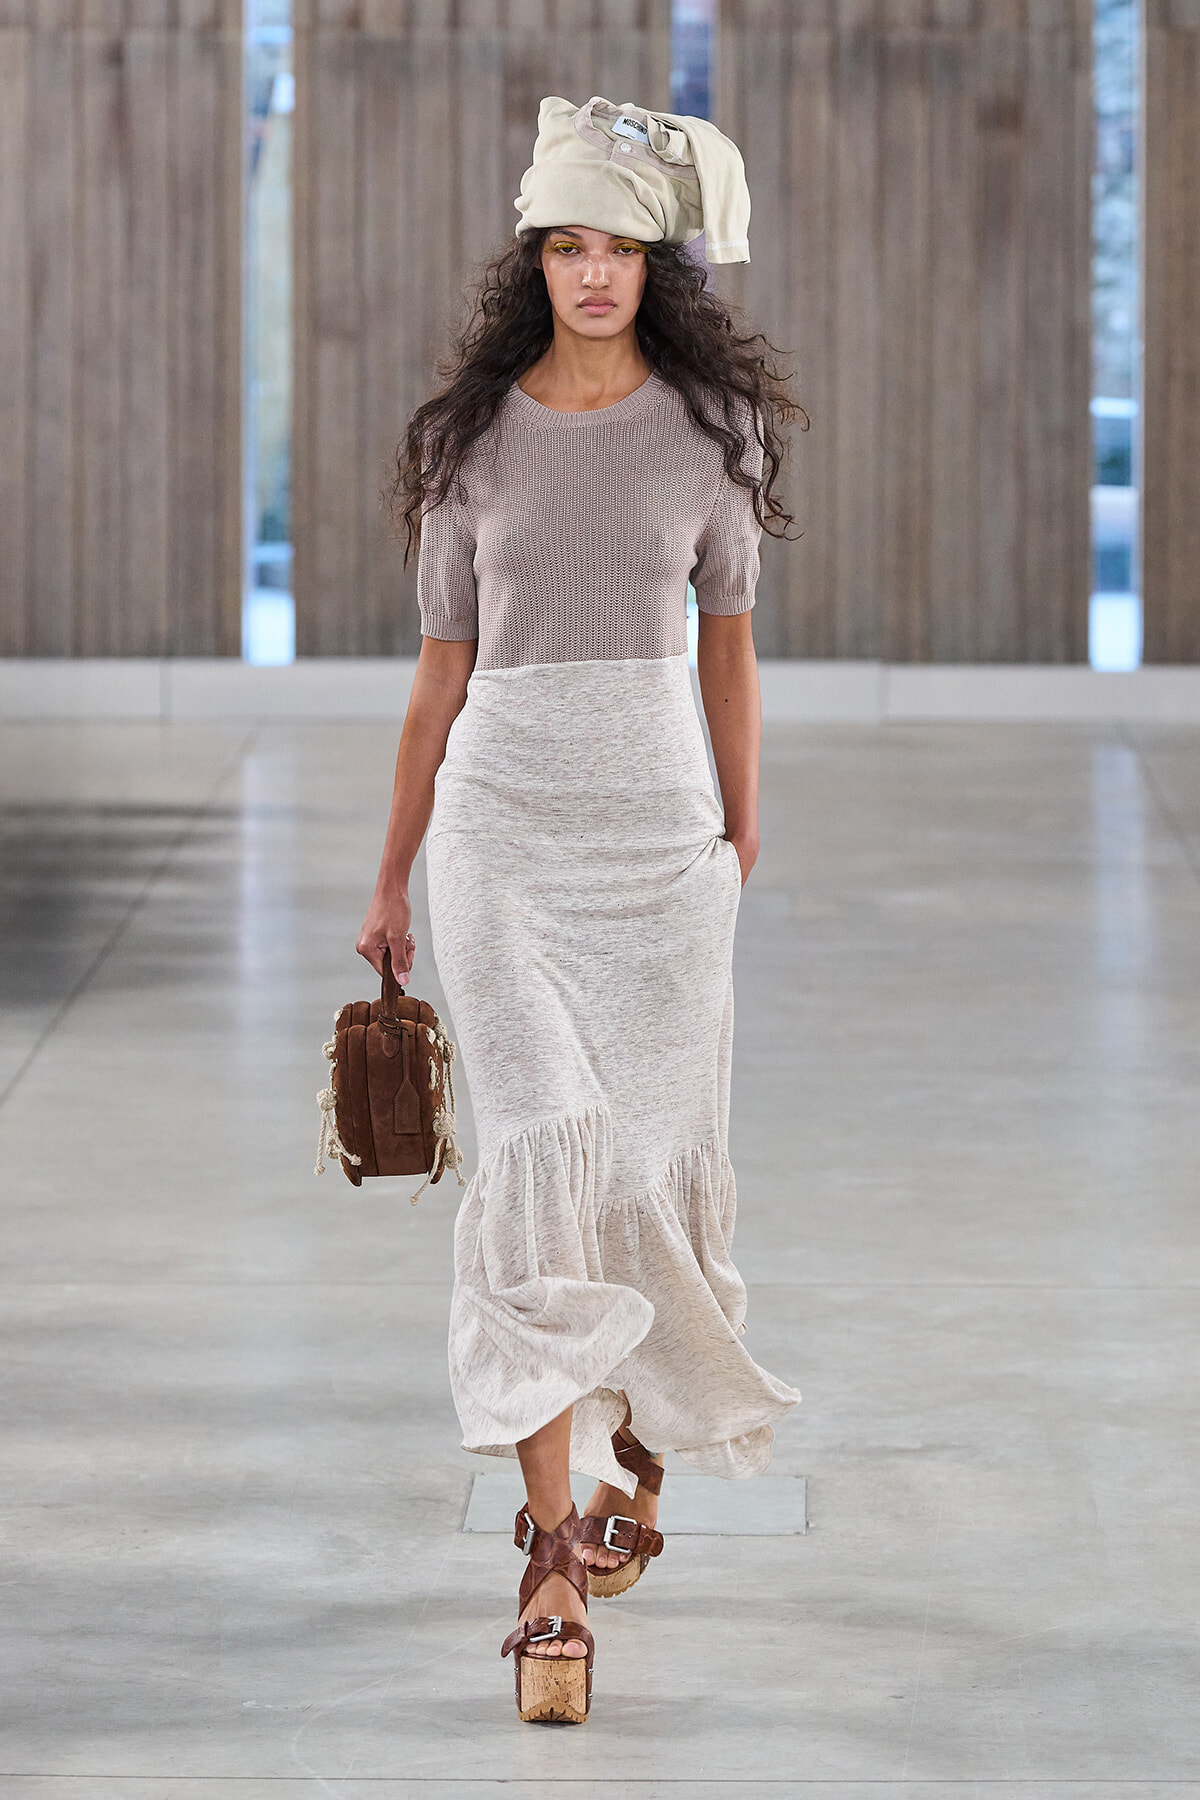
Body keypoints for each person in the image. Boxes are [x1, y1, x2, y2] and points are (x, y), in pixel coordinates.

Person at [357, 94, 804, 1724]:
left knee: (655, 1179)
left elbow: (733, 643)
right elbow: (435, 685)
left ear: (653, 263)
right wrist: (391, 872)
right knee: (543, 1161)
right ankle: (548, 1556)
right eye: (565, 245)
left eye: (616, 245)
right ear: (533, 261)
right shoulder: (469, 444)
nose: (591, 272)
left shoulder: (710, 433)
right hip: (501, 834)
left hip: (663, 843)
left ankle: (640, 1478)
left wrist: (742, 830)